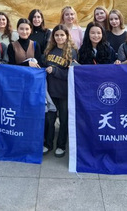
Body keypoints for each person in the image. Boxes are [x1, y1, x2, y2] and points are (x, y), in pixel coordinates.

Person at [44, 25, 78, 157]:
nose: (59, 37)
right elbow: (43, 68)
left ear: (67, 36)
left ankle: (61, 146)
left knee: (64, 120)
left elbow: (71, 74)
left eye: (62, 35)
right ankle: (48, 144)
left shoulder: (72, 52)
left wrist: (55, 71)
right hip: (50, 91)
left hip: (64, 92)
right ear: (53, 37)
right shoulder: (49, 50)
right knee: (50, 119)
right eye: (57, 35)